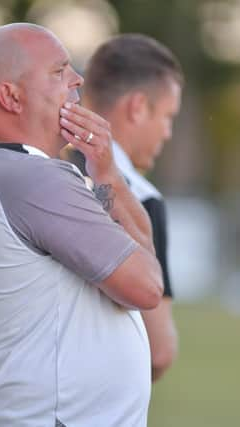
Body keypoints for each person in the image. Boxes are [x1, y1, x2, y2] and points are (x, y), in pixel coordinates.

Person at [0, 23, 163, 426]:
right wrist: (107, 175)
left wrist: (106, 171)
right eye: (59, 72)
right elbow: (147, 285)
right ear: (11, 96)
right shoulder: (32, 179)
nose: (77, 80)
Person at [80, 34, 183, 381]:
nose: (167, 133)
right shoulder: (139, 198)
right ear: (138, 107)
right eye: (168, 117)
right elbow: (159, 351)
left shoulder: (30, 170)